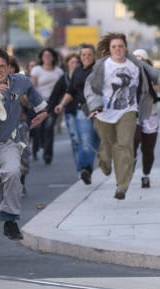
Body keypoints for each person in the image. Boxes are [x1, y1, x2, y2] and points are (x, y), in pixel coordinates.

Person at [0, 46, 48, 257]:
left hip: (9, 142)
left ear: (8, 66)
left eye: (2, 66)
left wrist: (42, 112)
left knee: (13, 172)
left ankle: (10, 219)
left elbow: (34, 96)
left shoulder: (20, 81)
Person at [85, 33, 160, 200]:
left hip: (128, 110)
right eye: (114, 46)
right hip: (104, 113)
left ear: (125, 48)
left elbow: (158, 75)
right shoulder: (102, 66)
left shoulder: (136, 64)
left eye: (120, 46)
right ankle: (104, 156)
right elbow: (89, 87)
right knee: (110, 145)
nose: (118, 49)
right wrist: (95, 105)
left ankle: (122, 186)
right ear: (109, 49)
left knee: (125, 146)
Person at [55, 43, 99, 185]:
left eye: (89, 55)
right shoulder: (78, 72)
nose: (86, 57)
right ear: (81, 57)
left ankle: (88, 167)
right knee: (85, 141)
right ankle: (85, 169)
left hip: (100, 112)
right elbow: (71, 91)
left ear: (94, 56)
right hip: (82, 111)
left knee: (96, 144)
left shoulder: (99, 70)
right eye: (84, 55)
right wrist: (61, 104)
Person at [132, 49, 160, 188]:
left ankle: (146, 175)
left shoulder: (154, 74)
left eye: (141, 60)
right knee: (134, 140)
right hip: (133, 113)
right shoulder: (128, 73)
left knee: (148, 149)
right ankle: (130, 162)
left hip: (150, 114)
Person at [30, 47, 64, 164]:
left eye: (49, 55)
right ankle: (40, 144)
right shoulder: (37, 70)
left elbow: (62, 89)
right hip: (39, 102)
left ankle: (48, 154)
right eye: (45, 55)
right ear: (41, 57)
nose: (47, 58)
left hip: (53, 103)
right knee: (39, 127)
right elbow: (32, 87)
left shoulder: (59, 72)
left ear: (53, 57)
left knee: (49, 127)